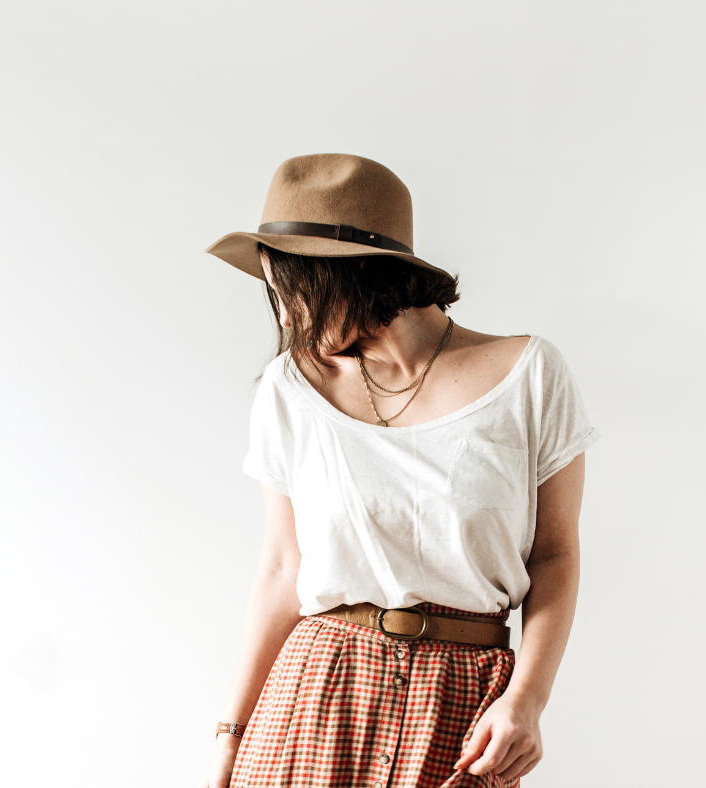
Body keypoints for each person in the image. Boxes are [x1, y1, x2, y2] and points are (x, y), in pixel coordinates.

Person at [199, 153, 601, 788]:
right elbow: (281, 569)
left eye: (292, 291)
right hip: (315, 698)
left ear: (356, 271)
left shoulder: (529, 376)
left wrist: (528, 699)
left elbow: (554, 555)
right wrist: (232, 734)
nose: (284, 317)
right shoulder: (290, 388)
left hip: (462, 706)